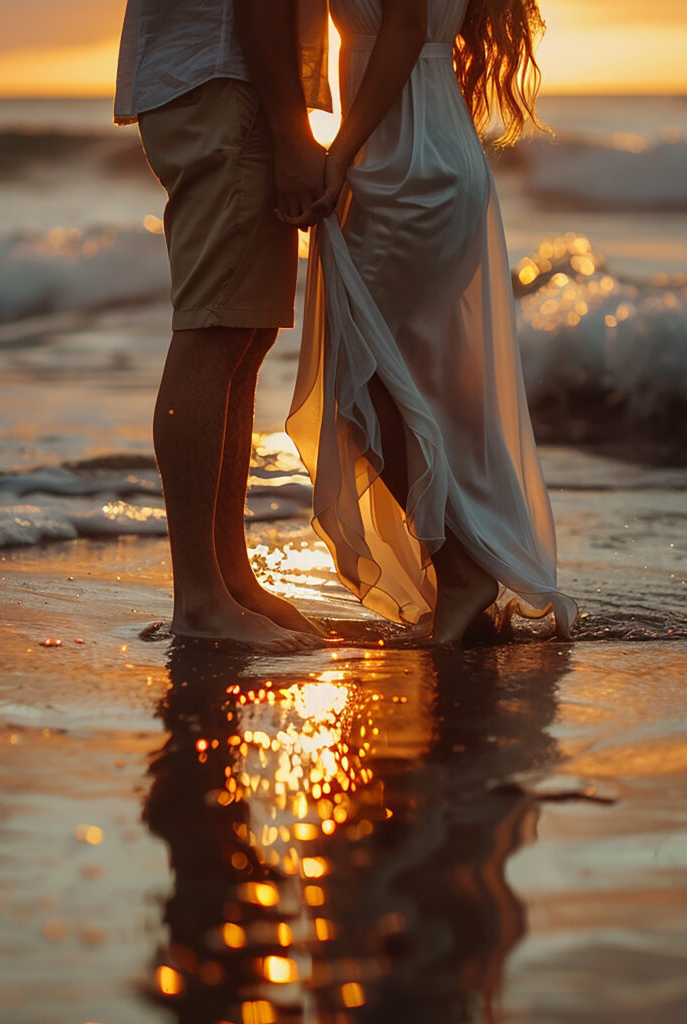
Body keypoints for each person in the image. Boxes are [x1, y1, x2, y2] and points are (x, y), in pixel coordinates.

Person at [284, 0, 579, 643]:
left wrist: (340, 151)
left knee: (358, 383)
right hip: (424, 152)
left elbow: (407, 29)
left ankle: (465, 571)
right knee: (413, 383)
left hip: (404, 169)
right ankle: (467, 570)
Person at [113, 0, 333, 650]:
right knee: (215, 330)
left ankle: (228, 578)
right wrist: (292, 131)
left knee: (242, 330)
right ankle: (202, 598)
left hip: (214, 83)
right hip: (223, 84)